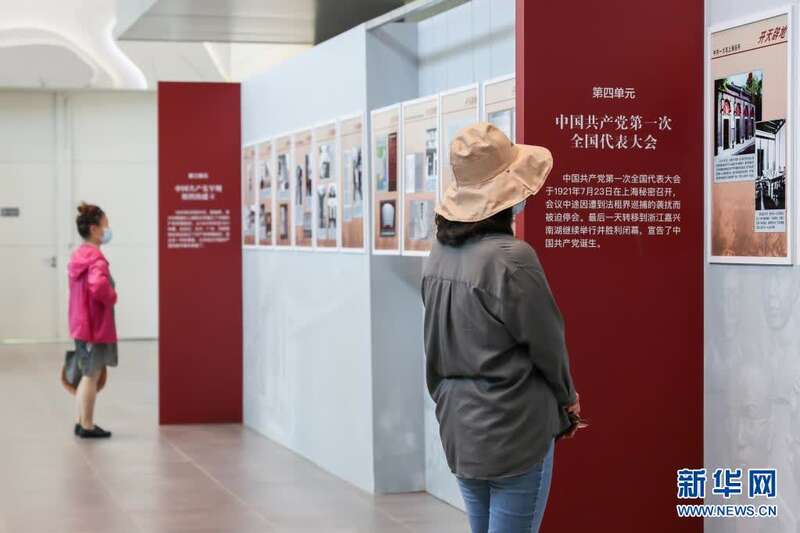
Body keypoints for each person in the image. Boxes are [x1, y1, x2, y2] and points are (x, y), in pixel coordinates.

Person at [421, 123, 582, 533]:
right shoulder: (512, 258)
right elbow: (547, 343)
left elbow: (434, 346)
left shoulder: (437, 257)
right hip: (514, 426)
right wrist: (568, 398)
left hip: (460, 426)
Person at [68, 202, 118, 439]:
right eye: (105, 225)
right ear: (94, 229)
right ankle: (87, 426)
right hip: (94, 326)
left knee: (87, 373)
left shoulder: (79, 256)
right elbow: (98, 286)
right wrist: (112, 295)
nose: (108, 229)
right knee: (91, 375)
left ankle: (81, 422)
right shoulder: (96, 259)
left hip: (80, 323)